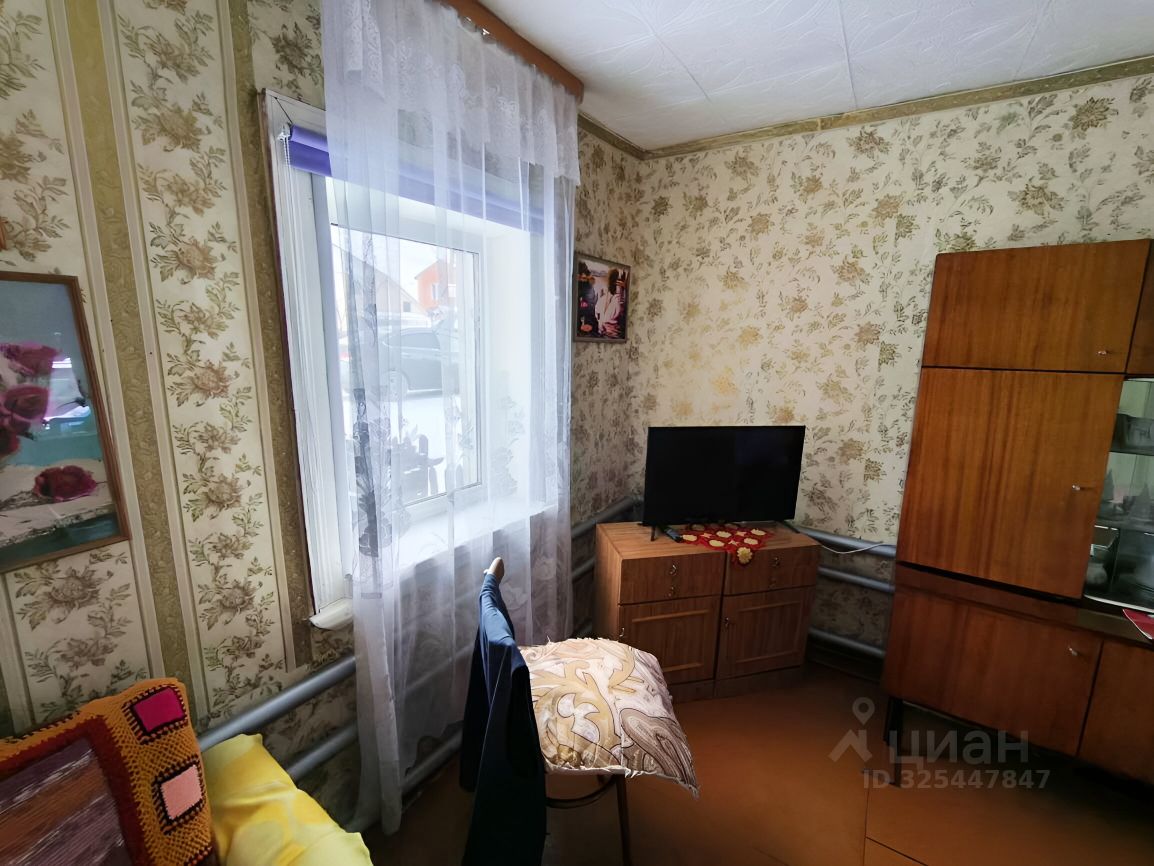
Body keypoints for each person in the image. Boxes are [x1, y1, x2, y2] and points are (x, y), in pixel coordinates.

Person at [595, 268, 623, 339]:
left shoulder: (617, 299)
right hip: (605, 333)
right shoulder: (604, 298)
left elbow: (598, 315)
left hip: (611, 334)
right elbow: (598, 314)